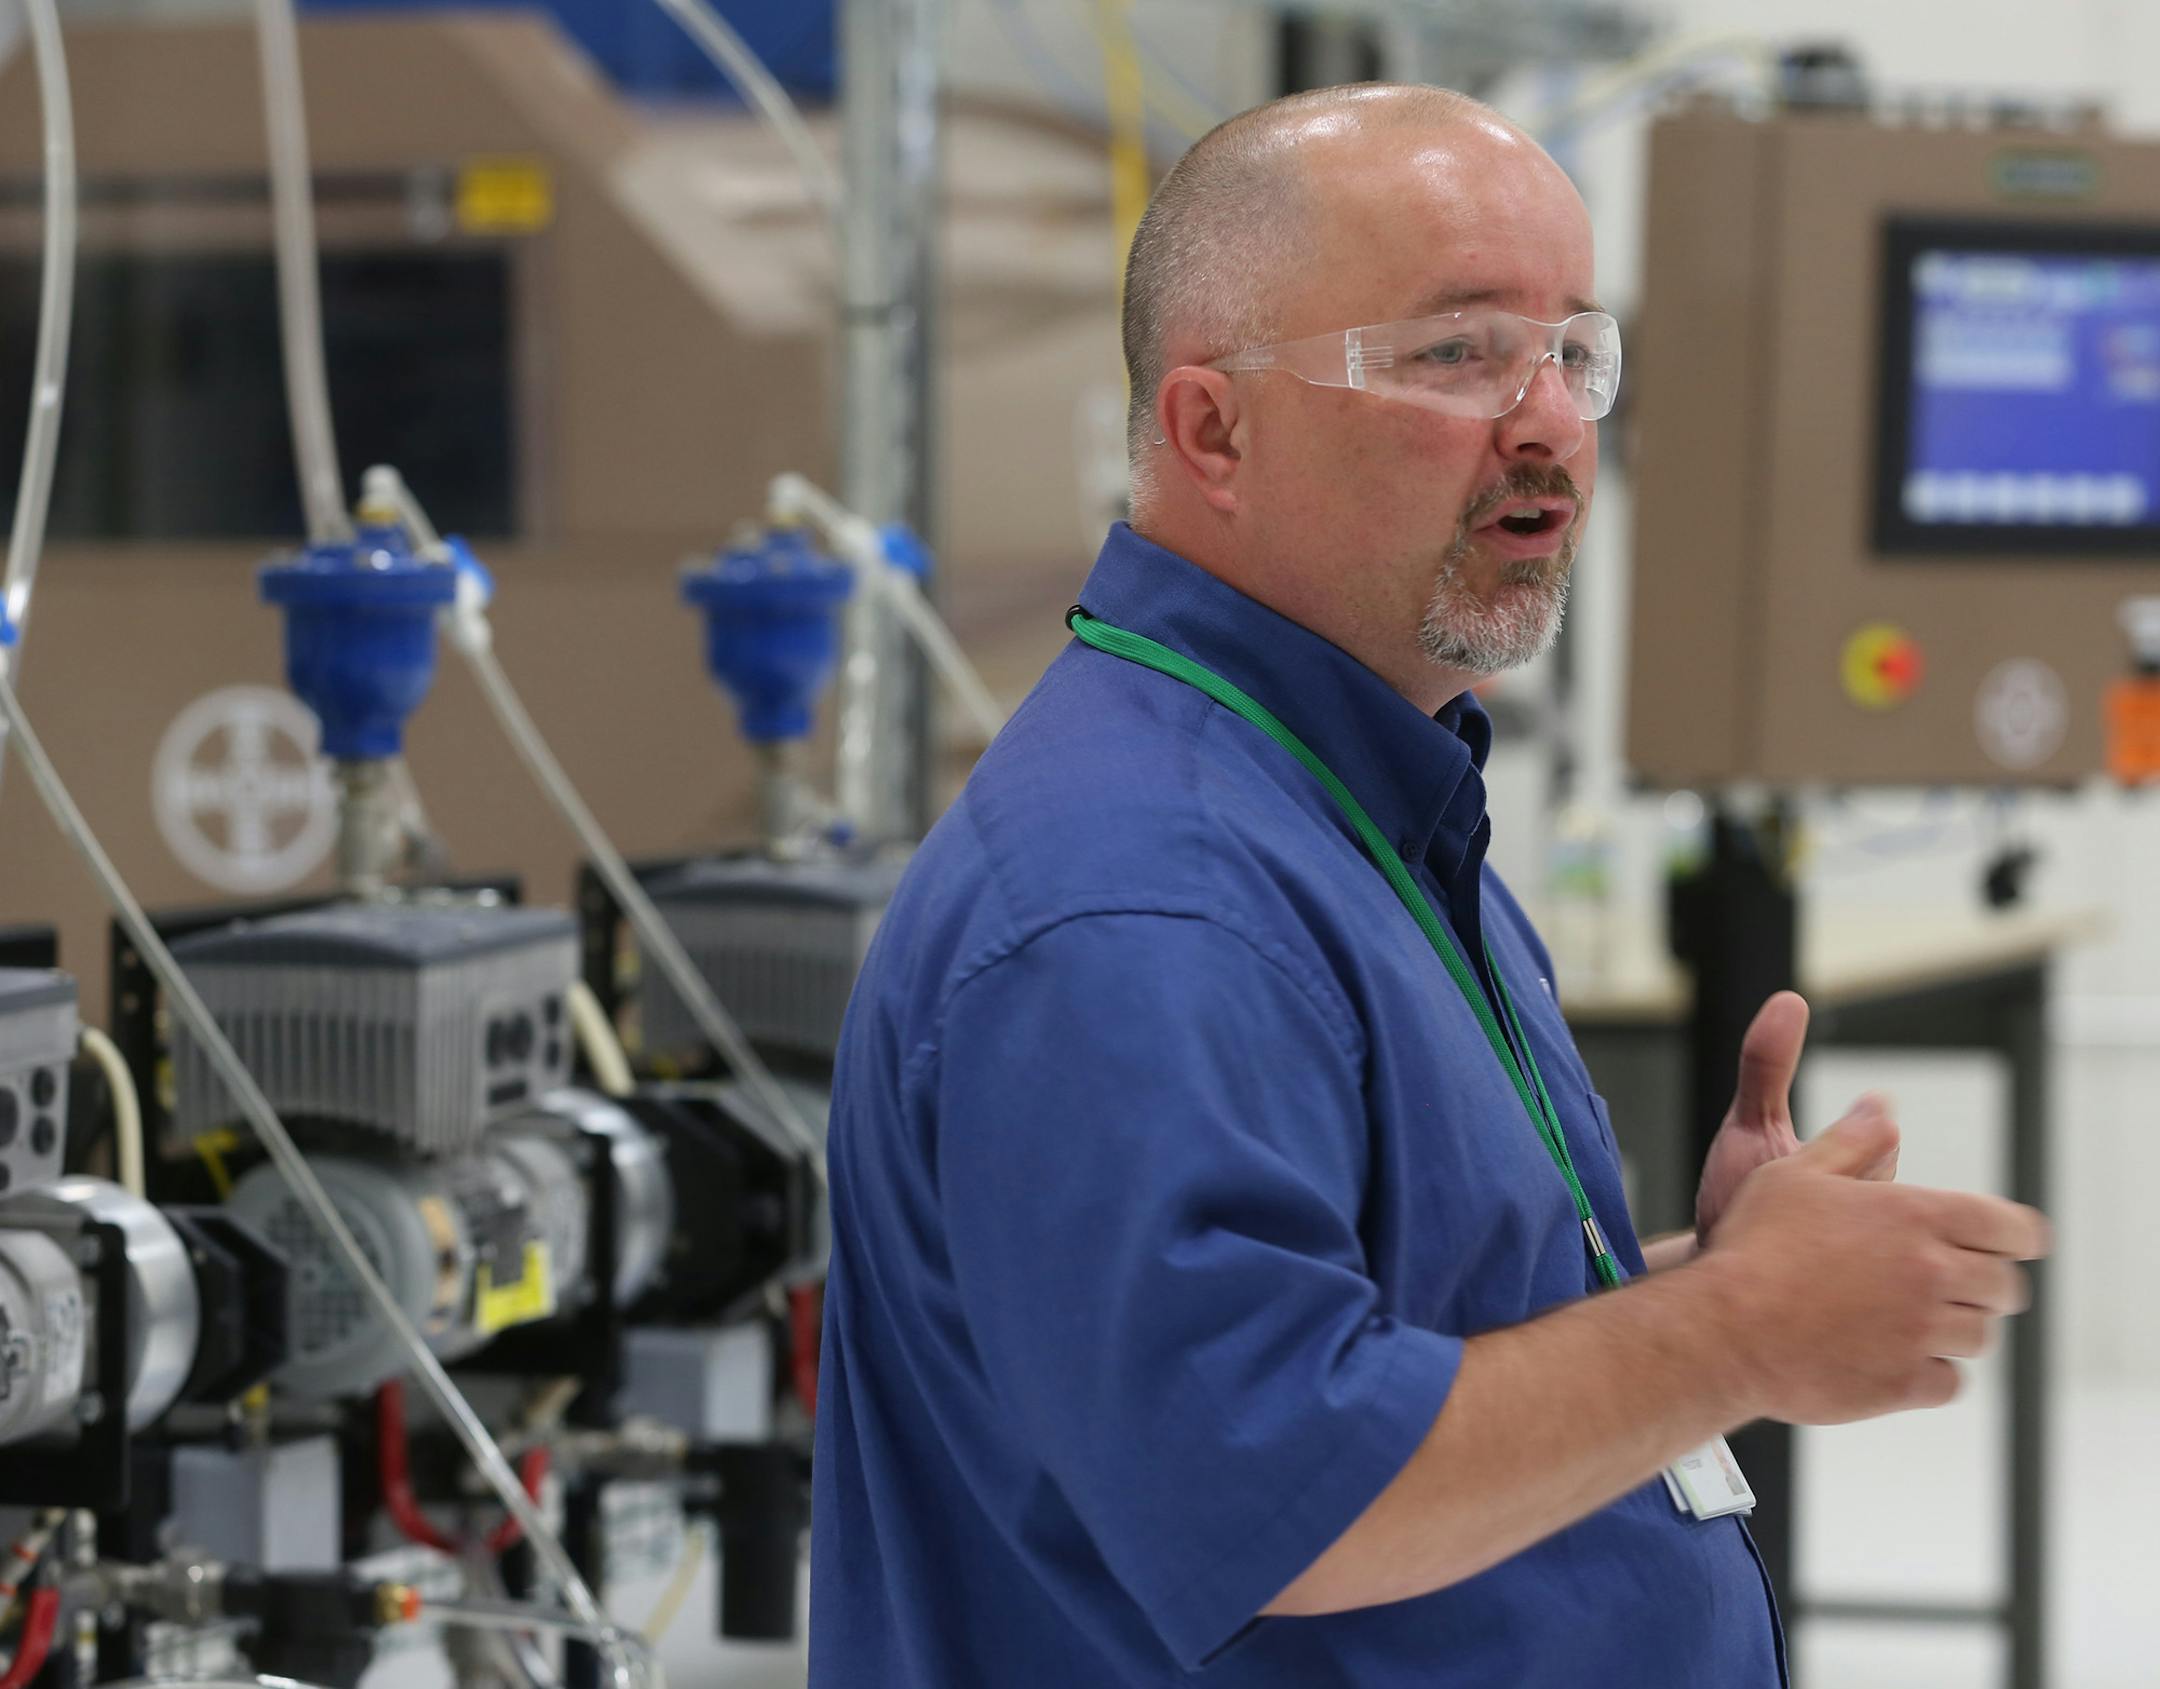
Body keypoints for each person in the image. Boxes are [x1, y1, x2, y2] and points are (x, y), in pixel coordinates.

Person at [807, 82, 2050, 1689]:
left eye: (1573, 352)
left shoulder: (1349, 796)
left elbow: (1388, 1337)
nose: (1546, 420)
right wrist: (1734, 1332)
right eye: (1457, 353)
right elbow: (1279, 1493)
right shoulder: (1142, 905)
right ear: (1212, 430)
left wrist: (1709, 1285)